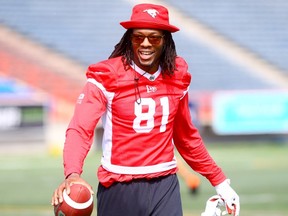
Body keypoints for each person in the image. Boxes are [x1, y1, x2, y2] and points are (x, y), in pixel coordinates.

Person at [51, 3, 240, 216]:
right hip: (119, 187)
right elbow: (80, 129)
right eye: (138, 37)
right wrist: (72, 174)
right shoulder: (108, 76)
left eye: (154, 38)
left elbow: (186, 137)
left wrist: (220, 181)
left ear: (166, 41)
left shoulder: (177, 75)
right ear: (129, 39)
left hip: (165, 185)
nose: (146, 44)